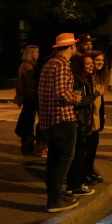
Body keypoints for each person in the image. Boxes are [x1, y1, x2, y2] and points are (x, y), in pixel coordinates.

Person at [38, 33, 83, 213]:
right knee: (64, 159)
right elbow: (61, 93)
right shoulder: (63, 65)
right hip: (62, 118)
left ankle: (54, 194)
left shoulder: (49, 63)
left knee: (53, 160)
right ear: (71, 46)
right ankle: (55, 200)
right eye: (74, 45)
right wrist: (75, 98)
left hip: (49, 119)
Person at [65, 54, 99, 196]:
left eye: (92, 63)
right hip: (78, 122)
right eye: (88, 63)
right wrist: (95, 95)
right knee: (78, 155)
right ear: (80, 66)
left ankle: (74, 183)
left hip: (82, 121)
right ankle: (76, 185)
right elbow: (79, 102)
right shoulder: (78, 81)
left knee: (79, 154)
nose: (92, 66)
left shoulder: (86, 79)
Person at [87, 50, 108, 185]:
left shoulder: (98, 77)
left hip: (96, 116)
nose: (100, 62)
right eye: (97, 60)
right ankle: (86, 172)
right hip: (89, 117)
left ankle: (90, 170)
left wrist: (102, 114)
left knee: (94, 144)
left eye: (102, 60)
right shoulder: (89, 77)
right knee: (89, 146)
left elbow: (101, 99)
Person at [15, 44, 40, 155]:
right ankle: (27, 143)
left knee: (29, 117)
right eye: (36, 52)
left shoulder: (32, 64)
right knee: (29, 118)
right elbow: (31, 82)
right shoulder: (27, 66)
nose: (38, 54)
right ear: (31, 53)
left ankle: (28, 142)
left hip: (31, 95)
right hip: (30, 95)